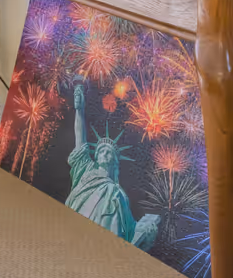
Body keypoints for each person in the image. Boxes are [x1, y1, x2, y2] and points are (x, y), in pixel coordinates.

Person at [64, 80, 161, 251]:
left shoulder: (120, 195)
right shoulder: (86, 169)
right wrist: (79, 110)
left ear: (115, 162)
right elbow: (80, 139)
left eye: (109, 152)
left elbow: (131, 236)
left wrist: (148, 234)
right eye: (101, 151)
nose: (104, 154)